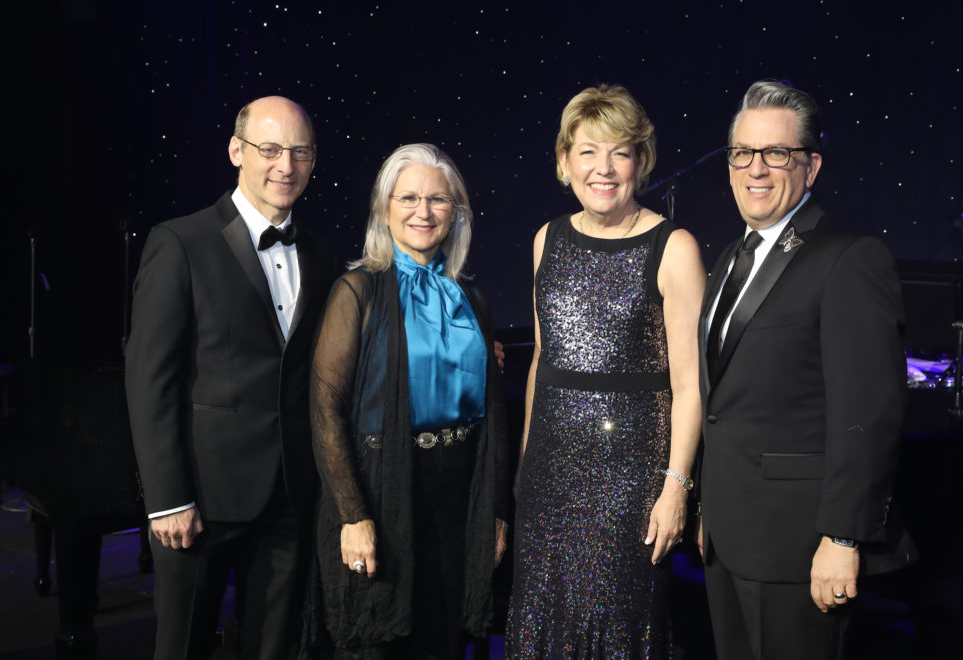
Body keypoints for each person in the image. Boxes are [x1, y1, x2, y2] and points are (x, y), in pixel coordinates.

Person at [696, 79, 915, 659]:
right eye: (743, 153)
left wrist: (844, 536)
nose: (756, 169)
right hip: (728, 539)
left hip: (800, 548)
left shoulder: (850, 256)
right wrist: (707, 511)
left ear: (810, 166)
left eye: (777, 153)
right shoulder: (726, 259)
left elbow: (869, 412)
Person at [125, 96, 337, 659]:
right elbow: (150, 379)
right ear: (236, 151)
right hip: (200, 499)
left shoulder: (321, 252)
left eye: (300, 152)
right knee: (182, 648)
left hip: (292, 494)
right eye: (270, 149)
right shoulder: (179, 241)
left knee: (272, 649)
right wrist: (167, 498)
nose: (285, 166)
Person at [505, 84, 706, 657]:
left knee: (618, 627)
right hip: (548, 475)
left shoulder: (674, 248)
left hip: (632, 481)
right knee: (542, 621)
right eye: (587, 151)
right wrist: (525, 462)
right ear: (564, 163)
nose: (603, 168)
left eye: (619, 151)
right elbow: (545, 362)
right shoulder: (547, 240)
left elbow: (690, 386)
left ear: (641, 162)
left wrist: (677, 487)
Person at [300, 143, 508, 659]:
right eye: (409, 197)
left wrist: (496, 512)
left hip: (458, 496)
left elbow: (496, 414)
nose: (423, 211)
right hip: (384, 489)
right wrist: (353, 516)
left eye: (438, 199)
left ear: (455, 211)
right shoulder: (357, 291)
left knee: (443, 639)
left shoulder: (470, 297)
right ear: (383, 208)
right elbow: (326, 410)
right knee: (382, 638)